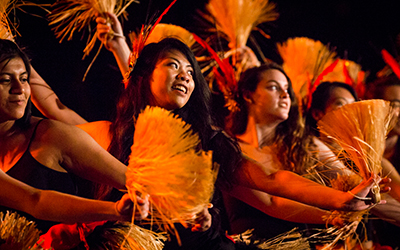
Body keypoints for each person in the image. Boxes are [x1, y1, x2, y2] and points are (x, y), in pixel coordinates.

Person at [0, 38, 148, 235]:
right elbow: (33, 200)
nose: (19, 89)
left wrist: (191, 208)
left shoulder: (52, 134)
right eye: (5, 80)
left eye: (24, 79)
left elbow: (133, 181)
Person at [222, 64, 358, 241]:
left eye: (287, 88)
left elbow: (355, 184)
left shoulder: (305, 146)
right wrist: (329, 216)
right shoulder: (228, 148)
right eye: (273, 87)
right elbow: (273, 202)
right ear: (248, 95)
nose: (285, 95)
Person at [307, 80, 400, 248]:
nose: (350, 111)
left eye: (354, 105)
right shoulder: (311, 148)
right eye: (341, 104)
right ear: (317, 114)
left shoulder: (366, 154)